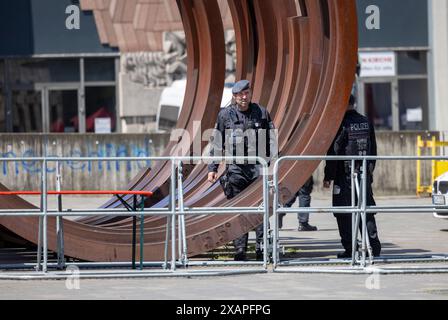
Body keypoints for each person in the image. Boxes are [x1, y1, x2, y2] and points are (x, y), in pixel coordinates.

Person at [208, 79, 276, 261]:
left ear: (250, 93)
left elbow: (271, 140)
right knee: (239, 211)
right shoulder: (225, 115)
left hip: (257, 168)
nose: (244, 97)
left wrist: (270, 163)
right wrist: (212, 168)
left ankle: (262, 250)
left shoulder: (261, 113)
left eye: (247, 93)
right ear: (235, 97)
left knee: (260, 211)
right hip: (236, 169)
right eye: (240, 95)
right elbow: (217, 142)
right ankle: (240, 251)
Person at [323, 93, 381, 259]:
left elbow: (334, 152)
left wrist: (328, 176)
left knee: (343, 212)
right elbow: (373, 149)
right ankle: (374, 247)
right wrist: (369, 172)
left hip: (345, 176)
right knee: (366, 211)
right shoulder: (365, 121)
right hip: (364, 174)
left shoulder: (340, 124)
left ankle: (351, 249)